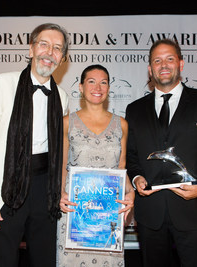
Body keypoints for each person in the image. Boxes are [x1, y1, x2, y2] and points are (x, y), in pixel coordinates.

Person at [125, 39, 197, 267]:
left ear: (181, 64)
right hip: (150, 216)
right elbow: (132, 155)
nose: (163, 65)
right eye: (157, 60)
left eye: (169, 59)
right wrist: (136, 178)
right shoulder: (134, 109)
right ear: (150, 69)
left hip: (196, 213)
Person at [0, 23, 69, 267]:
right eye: (44, 44)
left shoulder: (62, 97)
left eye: (57, 48)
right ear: (31, 49)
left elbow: (61, 152)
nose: (49, 52)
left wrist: (60, 188)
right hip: (6, 186)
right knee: (1, 260)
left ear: (63, 58)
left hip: (45, 189)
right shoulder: (2, 84)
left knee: (45, 259)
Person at [58, 64, 135, 266]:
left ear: (109, 88)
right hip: (74, 210)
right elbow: (61, 165)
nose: (97, 87)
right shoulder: (67, 122)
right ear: (81, 87)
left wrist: (131, 192)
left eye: (103, 82)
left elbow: (122, 167)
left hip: (108, 210)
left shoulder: (122, 124)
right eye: (91, 81)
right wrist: (60, 193)